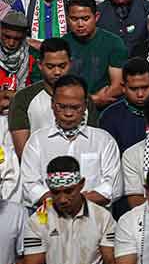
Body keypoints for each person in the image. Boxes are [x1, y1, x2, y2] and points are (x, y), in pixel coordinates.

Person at [19, 74, 122, 208]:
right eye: (62, 107)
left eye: (75, 107)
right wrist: (65, 201)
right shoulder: (37, 141)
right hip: (48, 222)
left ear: (85, 105)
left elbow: (113, 188)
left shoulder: (104, 141)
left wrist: (74, 202)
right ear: (52, 104)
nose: (68, 113)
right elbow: (30, 186)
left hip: (92, 223)